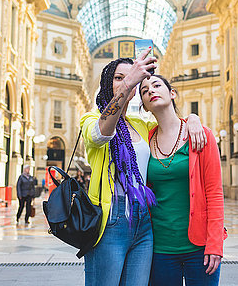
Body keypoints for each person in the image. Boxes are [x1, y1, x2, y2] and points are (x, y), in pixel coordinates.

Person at [80, 48, 207, 286]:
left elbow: (168, 120)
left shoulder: (139, 123)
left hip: (144, 222)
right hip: (110, 221)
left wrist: (193, 119)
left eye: (130, 77)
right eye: (119, 77)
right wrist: (129, 83)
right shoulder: (91, 118)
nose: (127, 81)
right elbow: (100, 134)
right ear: (108, 83)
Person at [140, 74, 225, 286]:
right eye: (144, 90)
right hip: (159, 249)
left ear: (172, 93)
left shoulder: (201, 135)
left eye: (157, 85)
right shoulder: (145, 141)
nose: (151, 90)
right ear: (145, 106)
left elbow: (214, 193)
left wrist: (215, 244)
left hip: (200, 248)